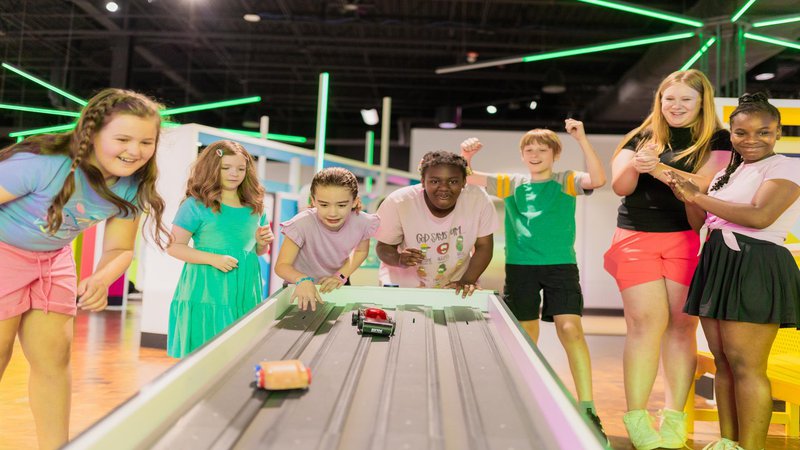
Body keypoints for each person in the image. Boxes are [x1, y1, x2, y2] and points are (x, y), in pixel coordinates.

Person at [0, 88, 170, 450]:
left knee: (54, 359)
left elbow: (121, 248)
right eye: (122, 138)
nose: (134, 151)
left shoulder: (133, 185)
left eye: (146, 141)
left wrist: (102, 277)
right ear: (91, 134)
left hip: (53, 261)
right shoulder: (43, 164)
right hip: (3, 252)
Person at [604, 69, 733, 450]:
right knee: (646, 324)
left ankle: (674, 417)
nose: (675, 106)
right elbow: (620, 186)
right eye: (668, 98)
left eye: (685, 100)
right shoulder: (640, 137)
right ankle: (637, 418)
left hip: (686, 239)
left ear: (701, 103)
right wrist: (636, 164)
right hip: (635, 237)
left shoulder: (718, 139)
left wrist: (658, 168)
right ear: (659, 101)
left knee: (680, 326)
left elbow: (702, 188)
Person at [666, 93, 800, 450]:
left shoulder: (785, 167)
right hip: (717, 260)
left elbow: (760, 216)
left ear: (778, 133)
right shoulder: (730, 172)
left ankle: (751, 447)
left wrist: (698, 196)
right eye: (741, 133)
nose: (751, 140)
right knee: (723, 363)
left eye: (763, 132)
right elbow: (702, 221)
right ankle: (729, 442)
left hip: (755, 262)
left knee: (747, 366)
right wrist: (687, 197)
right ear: (733, 134)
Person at [460, 119, 608, 439]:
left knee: (572, 330)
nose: (535, 154)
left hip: (560, 267)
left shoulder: (566, 180)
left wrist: (582, 139)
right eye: (529, 149)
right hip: (520, 267)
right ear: (522, 154)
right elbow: (468, 178)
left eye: (543, 149)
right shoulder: (512, 183)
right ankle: (525, 396)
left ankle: (587, 407)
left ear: (555, 154)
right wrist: (466, 155)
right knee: (525, 335)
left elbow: (598, 178)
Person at [166, 140, 273, 358]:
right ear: (212, 168)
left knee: (239, 355)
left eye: (241, 169)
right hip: (207, 288)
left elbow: (258, 252)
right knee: (204, 354)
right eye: (226, 168)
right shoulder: (195, 205)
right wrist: (212, 259)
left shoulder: (255, 206)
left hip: (244, 289)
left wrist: (263, 242)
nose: (234, 173)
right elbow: (174, 247)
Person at [374, 151, 498, 296]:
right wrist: (399, 259)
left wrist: (467, 280)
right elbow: (383, 247)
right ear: (422, 181)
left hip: (454, 285)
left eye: (453, 181)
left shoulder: (478, 199)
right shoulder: (399, 202)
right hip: (404, 287)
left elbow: (484, 246)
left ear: (464, 181)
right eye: (434, 181)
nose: (444, 187)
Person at [275, 167, 379, 312]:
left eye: (342, 205)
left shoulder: (363, 222)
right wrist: (302, 279)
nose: (332, 213)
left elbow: (361, 251)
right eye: (324, 205)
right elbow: (282, 266)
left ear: (355, 202)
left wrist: (340, 276)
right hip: (299, 288)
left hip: (337, 286)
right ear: (313, 201)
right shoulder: (301, 223)